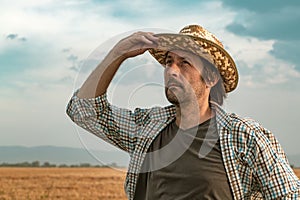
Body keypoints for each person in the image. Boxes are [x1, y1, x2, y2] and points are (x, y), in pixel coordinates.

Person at [66, 24, 300, 199]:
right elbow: (83, 111)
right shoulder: (147, 126)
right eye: (169, 61)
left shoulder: (244, 137)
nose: (171, 71)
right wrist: (118, 52)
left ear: (210, 77)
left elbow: (289, 195)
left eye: (184, 62)